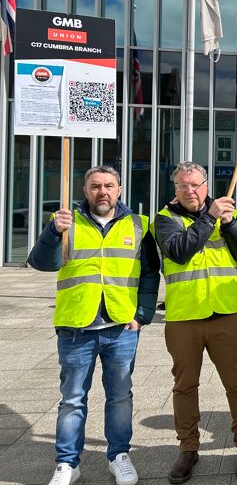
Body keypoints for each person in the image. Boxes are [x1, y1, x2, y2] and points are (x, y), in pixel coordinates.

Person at [27, 165, 160, 485]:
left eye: (109, 186)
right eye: (96, 186)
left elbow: (150, 274)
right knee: (72, 398)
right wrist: (52, 232)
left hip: (120, 327)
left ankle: (119, 455)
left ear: (120, 190)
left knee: (120, 396)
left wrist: (141, 314)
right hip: (76, 326)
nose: (103, 192)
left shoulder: (139, 224)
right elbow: (41, 263)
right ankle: (67, 463)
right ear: (85, 191)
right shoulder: (65, 221)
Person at [152, 161, 237, 484]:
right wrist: (211, 217)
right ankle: (188, 448)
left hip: (225, 314)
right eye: (183, 186)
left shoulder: (223, 214)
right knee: (185, 386)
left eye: (196, 185)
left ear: (206, 186)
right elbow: (179, 251)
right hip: (185, 318)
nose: (190, 191)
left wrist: (230, 224)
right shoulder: (164, 219)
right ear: (175, 189)